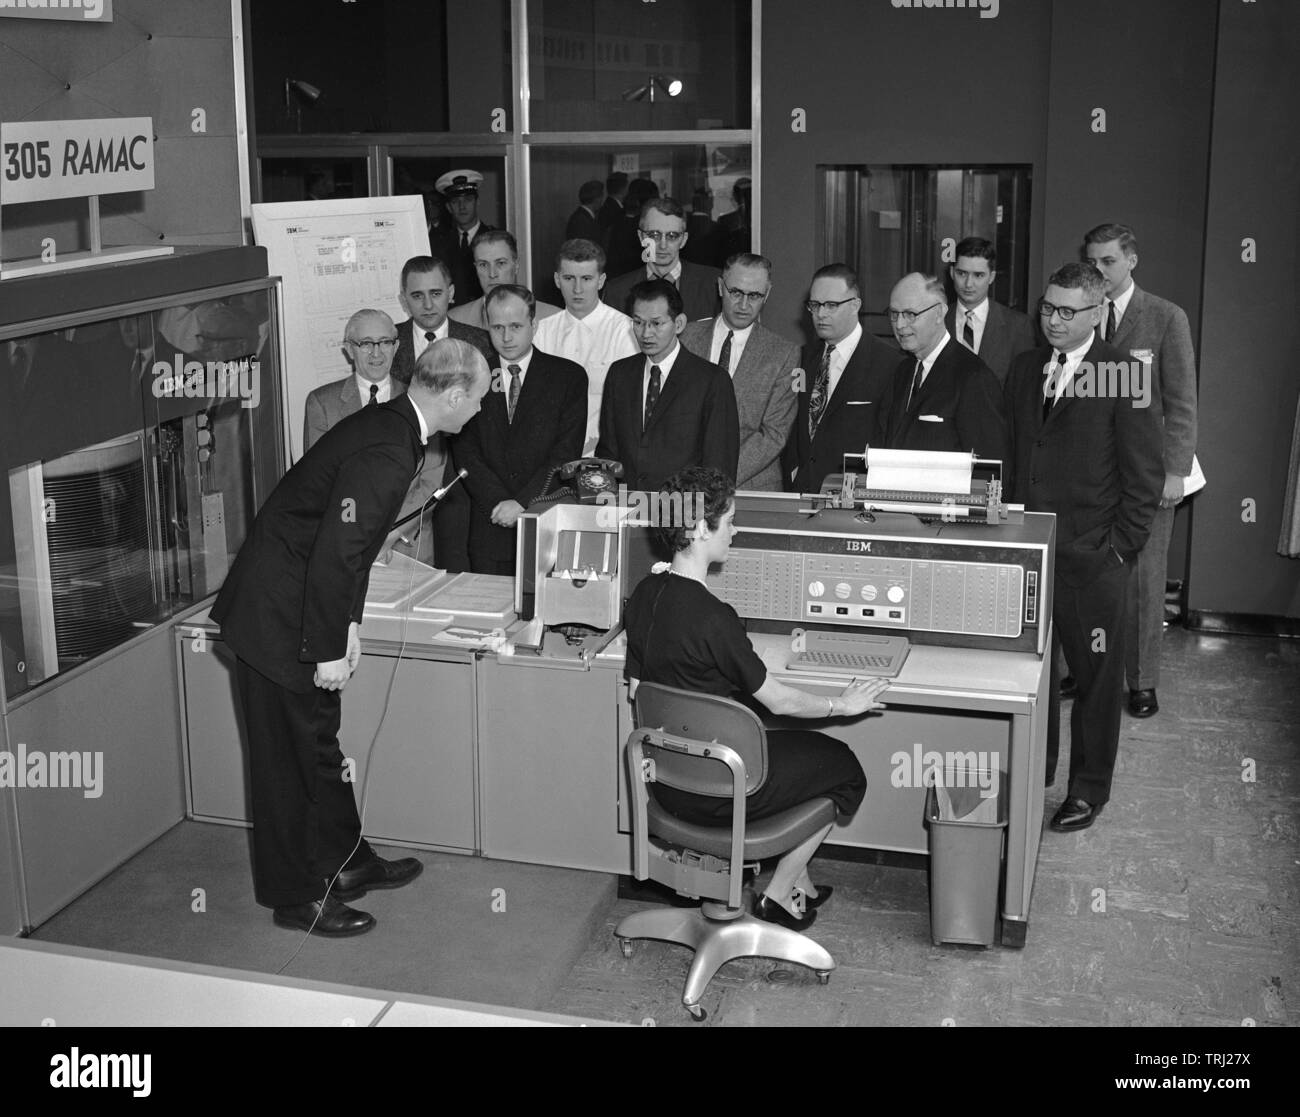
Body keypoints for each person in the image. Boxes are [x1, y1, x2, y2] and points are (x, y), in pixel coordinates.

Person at [211, 339, 491, 936]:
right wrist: (329, 647)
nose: (477, 413)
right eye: (478, 400)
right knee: (287, 763)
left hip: (302, 605)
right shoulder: (390, 447)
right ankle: (297, 896)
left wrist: (351, 623)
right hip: (276, 618)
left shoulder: (394, 428)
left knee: (320, 748)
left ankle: (347, 862)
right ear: (455, 394)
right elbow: (339, 553)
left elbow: (355, 546)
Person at [623, 467, 887, 928]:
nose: (736, 530)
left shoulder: (645, 594)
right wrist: (842, 705)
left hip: (670, 784)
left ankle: (799, 883)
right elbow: (780, 702)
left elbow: (642, 682)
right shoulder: (712, 617)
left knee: (792, 754)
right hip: (727, 789)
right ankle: (779, 894)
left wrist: (751, 651)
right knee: (843, 766)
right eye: (729, 521)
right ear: (700, 529)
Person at [1004, 263, 1163, 833]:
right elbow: (1017, 453)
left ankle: (1088, 790)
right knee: (1033, 676)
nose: (1054, 320)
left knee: (1096, 682)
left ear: (1098, 313)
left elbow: (1145, 476)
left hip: (1094, 558)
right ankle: (1033, 772)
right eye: (1048, 308)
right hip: (1028, 556)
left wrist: (1117, 551)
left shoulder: (1122, 374)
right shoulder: (1025, 369)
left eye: (1068, 311)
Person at [1083, 223, 1199, 720]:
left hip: (1148, 475)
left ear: (1132, 260)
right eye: (1093, 262)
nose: (1100, 272)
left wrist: (1174, 471)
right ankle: (1081, 671)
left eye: (1108, 261)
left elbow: (1182, 404)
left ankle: (1143, 682)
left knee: (1145, 584)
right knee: (1085, 577)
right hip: (1092, 474)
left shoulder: (1165, 318)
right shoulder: (1080, 313)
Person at [454, 285, 587, 575]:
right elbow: (466, 453)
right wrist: (500, 503)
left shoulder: (568, 377)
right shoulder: (470, 377)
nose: (506, 336)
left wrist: (523, 503)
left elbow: (566, 453)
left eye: (515, 326)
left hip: (546, 522)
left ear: (534, 325)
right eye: (497, 327)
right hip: (490, 523)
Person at [303, 310, 448, 561]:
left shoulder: (422, 400)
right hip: (346, 541)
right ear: (349, 349)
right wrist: (362, 531)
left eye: (385, 342)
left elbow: (432, 480)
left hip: (408, 543)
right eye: (366, 344)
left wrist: (390, 532)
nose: (377, 353)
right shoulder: (322, 404)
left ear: (397, 346)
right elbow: (320, 481)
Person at [391, 255, 493, 572]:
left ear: (451, 292)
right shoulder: (388, 344)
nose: (428, 304)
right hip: (408, 469)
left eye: (435, 293)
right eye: (417, 295)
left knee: (458, 560)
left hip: (467, 469)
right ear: (403, 300)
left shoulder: (480, 342)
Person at [597, 278, 739, 491]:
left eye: (656, 323)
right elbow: (608, 451)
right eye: (638, 322)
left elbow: (718, 466)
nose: (646, 333)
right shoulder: (620, 374)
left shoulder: (711, 380)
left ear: (679, 323)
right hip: (625, 508)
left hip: (684, 513)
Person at [680, 252, 799, 490]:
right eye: (736, 292)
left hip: (751, 486)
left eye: (754, 295)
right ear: (721, 287)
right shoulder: (685, 338)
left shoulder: (784, 353)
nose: (744, 305)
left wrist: (715, 478)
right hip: (683, 483)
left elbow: (774, 434)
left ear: (767, 294)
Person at [782, 264, 898, 493]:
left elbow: (889, 442)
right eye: (814, 305)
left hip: (855, 498)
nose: (821, 314)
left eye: (831, 305)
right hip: (802, 494)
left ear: (855, 305)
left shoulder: (889, 364)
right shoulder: (801, 357)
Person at [876, 272, 1008, 461]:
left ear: (939, 313)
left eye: (910, 314)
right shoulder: (902, 370)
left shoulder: (973, 377)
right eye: (894, 314)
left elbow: (989, 464)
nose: (900, 324)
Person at [533, 238, 638, 456]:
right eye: (569, 278)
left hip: (606, 456)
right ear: (557, 279)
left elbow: (628, 407)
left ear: (601, 281)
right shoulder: (540, 332)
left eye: (587, 278)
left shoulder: (625, 331)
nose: (577, 288)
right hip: (548, 454)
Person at [602, 197, 721, 322]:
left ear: (684, 240)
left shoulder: (713, 284)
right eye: (654, 235)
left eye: (672, 236)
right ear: (641, 237)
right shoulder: (617, 292)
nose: (663, 245)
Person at [945, 237, 1038, 386]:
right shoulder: (936, 320)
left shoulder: (1019, 326)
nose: (969, 284)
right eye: (962, 273)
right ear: (951, 273)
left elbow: (1024, 388)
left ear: (991, 277)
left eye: (978, 275)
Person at [448, 230, 560, 331]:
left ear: (516, 266)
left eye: (500, 263)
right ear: (475, 268)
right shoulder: (455, 320)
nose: (492, 274)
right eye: (483, 265)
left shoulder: (552, 319)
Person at [431, 169, 493, 306]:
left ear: (477, 202)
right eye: (455, 202)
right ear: (448, 207)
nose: (462, 207)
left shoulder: (494, 239)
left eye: (468, 200)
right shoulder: (438, 243)